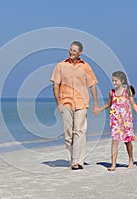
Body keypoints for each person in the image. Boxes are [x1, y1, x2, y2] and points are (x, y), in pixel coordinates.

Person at [50, 41, 99, 170]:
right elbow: (55, 85)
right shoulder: (60, 66)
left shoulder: (86, 67)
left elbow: (92, 85)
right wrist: (59, 103)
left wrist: (96, 103)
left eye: (74, 51)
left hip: (81, 103)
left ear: (80, 53)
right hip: (65, 102)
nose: (71, 52)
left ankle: (78, 161)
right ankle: (72, 158)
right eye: (70, 50)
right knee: (68, 133)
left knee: (79, 131)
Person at [97, 71, 137, 171]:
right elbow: (108, 104)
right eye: (113, 80)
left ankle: (130, 160)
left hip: (126, 120)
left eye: (116, 80)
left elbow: (133, 103)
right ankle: (113, 164)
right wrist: (100, 109)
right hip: (115, 119)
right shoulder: (111, 92)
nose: (114, 82)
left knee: (127, 141)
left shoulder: (127, 91)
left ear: (122, 81)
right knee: (114, 141)